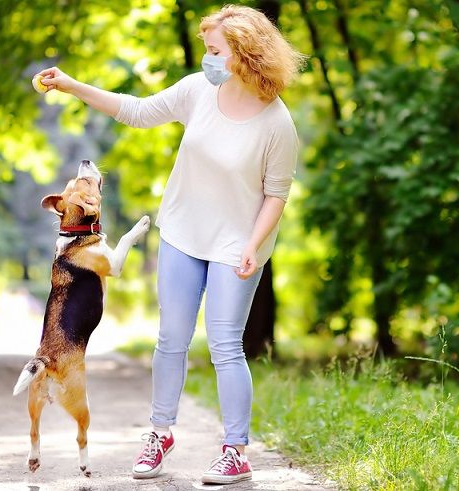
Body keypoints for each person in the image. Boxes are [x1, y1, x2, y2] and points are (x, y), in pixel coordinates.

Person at [34, 4, 304, 485]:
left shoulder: (276, 122)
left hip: (237, 244)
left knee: (225, 346)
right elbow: (137, 112)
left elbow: (276, 195)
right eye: (206, 50)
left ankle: (235, 451)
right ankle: (159, 434)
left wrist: (254, 244)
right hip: (182, 231)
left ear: (245, 54)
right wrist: (72, 86)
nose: (208, 59)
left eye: (216, 51)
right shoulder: (198, 90)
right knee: (170, 339)